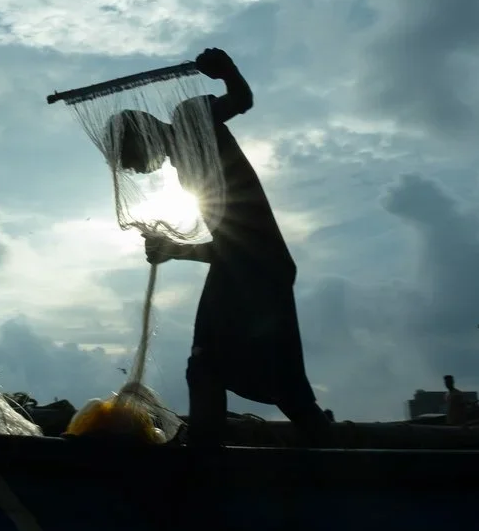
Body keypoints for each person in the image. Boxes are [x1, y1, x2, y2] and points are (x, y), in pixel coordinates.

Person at [110, 47, 333, 449]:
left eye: (130, 158)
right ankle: (219, 446)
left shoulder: (190, 118)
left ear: (141, 135)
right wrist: (172, 248)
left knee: (220, 365)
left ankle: (208, 453)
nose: (135, 169)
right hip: (245, 267)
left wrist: (226, 69)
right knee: (241, 369)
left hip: (256, 268)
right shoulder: (183, 164)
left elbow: (241, 100)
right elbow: (227, 246)